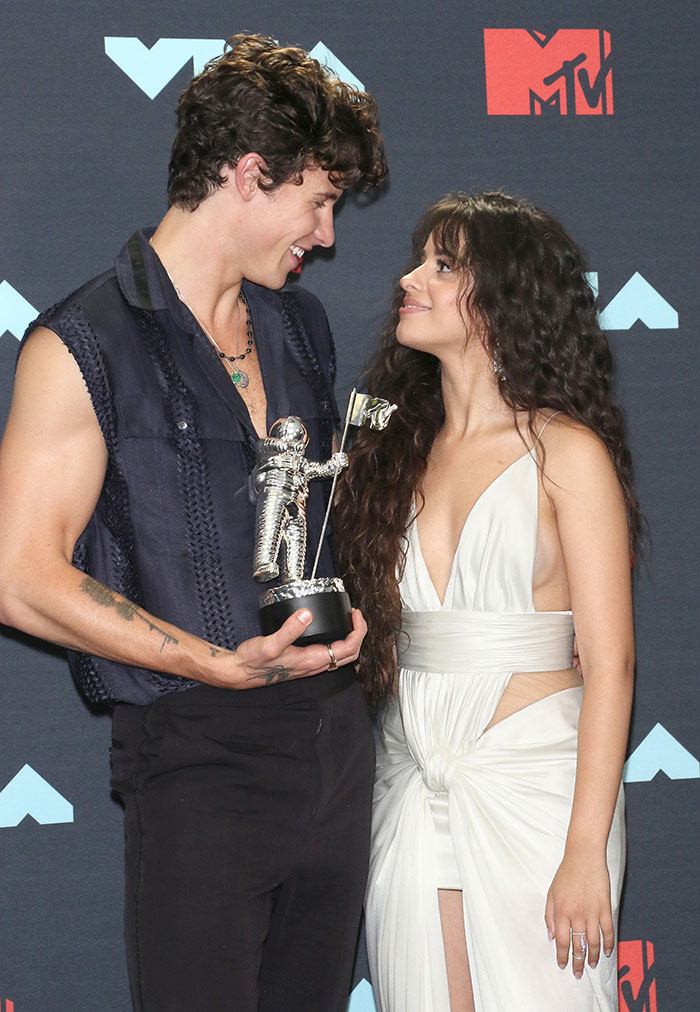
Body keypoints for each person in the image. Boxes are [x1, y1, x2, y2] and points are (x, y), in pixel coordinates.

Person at [0, 34, 387, 1012]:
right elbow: (18, 573)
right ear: (251, 175)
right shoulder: (80, 342)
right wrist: (209, 661)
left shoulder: (299, 327)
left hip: (335, 747)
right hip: (198, 755)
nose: (328, 235)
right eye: (320, 198)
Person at [335, 191, 637, 1011]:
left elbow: (610, 664)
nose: (410, 277)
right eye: (419, 258)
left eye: (442, 264)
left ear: (503, 295)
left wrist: (584, 849)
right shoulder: (393, 455)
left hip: (538, 799)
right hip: (409, 786)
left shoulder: (567, 454)